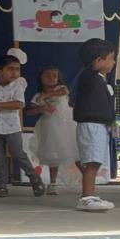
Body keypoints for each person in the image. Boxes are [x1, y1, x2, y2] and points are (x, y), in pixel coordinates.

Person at [0, 54, 45, 198]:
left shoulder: (17, 86)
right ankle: (2, 187)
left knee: (18, 154)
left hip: (12, 128)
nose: (15, 73)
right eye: (10, 69)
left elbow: (19, 104)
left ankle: (34, 178)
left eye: (17, 69)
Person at [71, 40, 116, 212]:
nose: (113, 62)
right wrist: (92, 68)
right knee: (92, 162)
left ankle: (90, 195)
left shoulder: (101, 79)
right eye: (110, 58)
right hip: (91, 125)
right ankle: (86, 198)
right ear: (98, 61)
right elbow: (90, 72)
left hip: (99, 125)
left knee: (95, 161)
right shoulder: (89, 76)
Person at [26, 66, 76, 196]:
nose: (51, 78)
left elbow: (64, 92)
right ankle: (53, 184)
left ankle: (87, 181)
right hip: (50, 127)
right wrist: (42, 108)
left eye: (55, 76)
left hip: (66, 125)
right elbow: (30, 111)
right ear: (41, 79)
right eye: (47, 75)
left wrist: (47, 95)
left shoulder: (60, 89)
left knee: (75, 151)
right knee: (53, 154)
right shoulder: (38, 96)